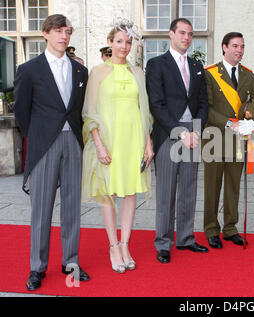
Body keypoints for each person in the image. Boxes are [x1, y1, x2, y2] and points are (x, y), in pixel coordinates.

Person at [14, 14, 90, 291]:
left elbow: (79, 109)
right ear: (45, 34)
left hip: (74, 143)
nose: (64, 36)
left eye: (67, 31)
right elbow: (21, 111)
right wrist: (36, 137)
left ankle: (71, 261)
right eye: (58, 31)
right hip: (44, 144)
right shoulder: (29, 69)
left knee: (72, 206)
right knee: (41, 208)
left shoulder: (80, 71)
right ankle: (37, 267)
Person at [81, 19, 154, 273]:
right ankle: (113, 246)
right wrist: (99, 145)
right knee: (109, 194)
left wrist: (148, 143)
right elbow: (89, 113)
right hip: (110, 141)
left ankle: (125, 244)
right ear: (110, 43)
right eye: (119, 41)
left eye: (128, 42)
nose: (124, 46)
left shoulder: (138, 73)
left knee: (131, 193)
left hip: (133, 139)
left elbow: (143, 111)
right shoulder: (98, 72)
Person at [146, 18, 209, 264]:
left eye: (190, 34)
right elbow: (156, 104)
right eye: (182, 33)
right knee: (166, 192)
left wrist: (194, 130)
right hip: (168, 134)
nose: (186, 37)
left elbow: (203, 102)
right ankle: (163, 242)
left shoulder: (196, 66)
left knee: (189, 189)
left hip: (192, 135)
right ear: (171, 34)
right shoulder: (157, 65)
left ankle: (185, 238)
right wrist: (179, 131)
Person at [202, 32, 254, 249]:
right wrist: (230, 124)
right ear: (224, 47)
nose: (239, 50)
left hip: (239, 139)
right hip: (214, 137)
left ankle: (230, 228)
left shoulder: (248, 75)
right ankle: (211, 228)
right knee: (212, 186)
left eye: (242, 46)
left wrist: (253, 123)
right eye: (235, 46)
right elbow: (206, 108)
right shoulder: (210, 73)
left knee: (233, 186)